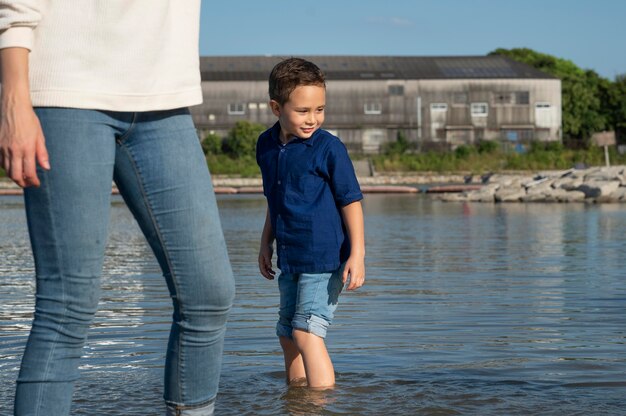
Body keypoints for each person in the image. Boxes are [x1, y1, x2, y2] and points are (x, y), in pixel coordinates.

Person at [0, 1, 235, 415]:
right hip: (65, 88)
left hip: (163, 93)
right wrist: (14, 100)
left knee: (208, 292)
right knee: (68, 302)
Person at [256, 57, 365, 388]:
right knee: (288, 334)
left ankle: (322, 405)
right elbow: (274, 199)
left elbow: (351, 200)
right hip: (290, 257)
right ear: (277, 107)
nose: (313, 118)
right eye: (303, 111)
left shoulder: (329, 148)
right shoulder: (266, 146)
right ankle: (298, 402)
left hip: (324, 257)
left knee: (307, 333)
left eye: (320, 109)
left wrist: (357, 253)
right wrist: (265, 242)